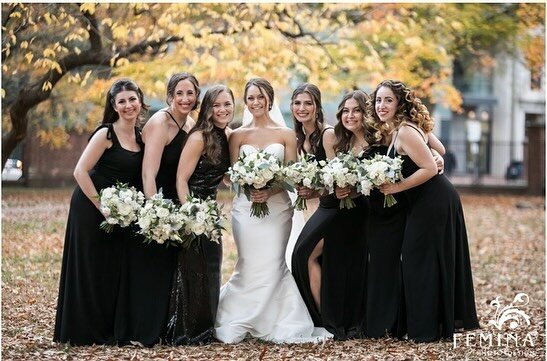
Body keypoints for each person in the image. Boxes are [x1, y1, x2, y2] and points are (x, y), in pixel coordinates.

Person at [214, 78, 332, 343]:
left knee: (272, 263)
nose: (256, 103)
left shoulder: (286, 134)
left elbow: (291, 176)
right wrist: (249, 183)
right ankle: (239, 315)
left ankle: (278, 319)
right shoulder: (237, 135)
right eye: (251, 98)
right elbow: (232, 176)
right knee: (248, 264)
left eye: (260, 97)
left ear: (269, 99)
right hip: (246, 210)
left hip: (278, 209)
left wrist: (269, 188)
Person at [373, 79, 479, 342]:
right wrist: (436, 155)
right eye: (378, 100)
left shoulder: (407, 130)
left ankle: (426, 330)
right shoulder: (402, 129)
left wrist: (397, 187)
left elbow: (430, 169)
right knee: (421, 260)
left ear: (400, 103)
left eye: (388, 100)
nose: (382, 105)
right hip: (428, 201)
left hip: (434, 200)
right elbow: (439, 150)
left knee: (417, 260)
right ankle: (427, 325)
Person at [54, 79, 147, 345]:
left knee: (111, 267)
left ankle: (107, 329)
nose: (128, 105)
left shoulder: (142, 135)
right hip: (90, 206)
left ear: (140, 101)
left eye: (132, 99)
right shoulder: (106, 134)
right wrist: (103, 207)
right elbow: (80, 171)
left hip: (120, 211)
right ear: (114, 106)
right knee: (89, 266)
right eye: (122, 101)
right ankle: (82, 331)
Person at [117, 73, 199, 346]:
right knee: (150, 268)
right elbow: (148, 174)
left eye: (190, 93)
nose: (185, 99)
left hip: (177, 201)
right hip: (155, 203)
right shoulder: (160, 122)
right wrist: (156, 216)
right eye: (180, 93)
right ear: (170, 96)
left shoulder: (191, 123)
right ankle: (143, 332)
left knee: (169, 268)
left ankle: (166, 328)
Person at [164, 85, 233, 345]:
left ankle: (206, 327)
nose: (222, 110)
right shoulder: (199, 137)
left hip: (212, 211)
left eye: (227, 104)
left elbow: (224, 176)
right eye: (216, 105)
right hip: (192, 208)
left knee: (212, 267)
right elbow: (181, 180)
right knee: (193, 270)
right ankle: (188, 331)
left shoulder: (227, 134)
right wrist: (191, 215)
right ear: (207, 108)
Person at [317, 90, 372, 340]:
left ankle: (357, 321)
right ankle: (336, 321)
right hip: (342, 211)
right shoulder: (341, 142)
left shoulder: (378, 140)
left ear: (365, 113)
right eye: (346, 111)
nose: (350, 116)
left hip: (369, 213)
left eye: (356, 110)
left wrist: (437, 156)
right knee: (337, 263)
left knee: (360, 265)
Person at [289, 83, 337, 327]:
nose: (302, 108)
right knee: (302, 256)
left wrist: (315, 190)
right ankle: (317, 316)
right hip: (316, 208)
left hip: (335, 208)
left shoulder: (327, 134)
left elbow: (338, 179)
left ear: (317, 107)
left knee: (305, 254)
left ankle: (325, 319)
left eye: (308, 103)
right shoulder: (299, 138)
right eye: (297, 103)